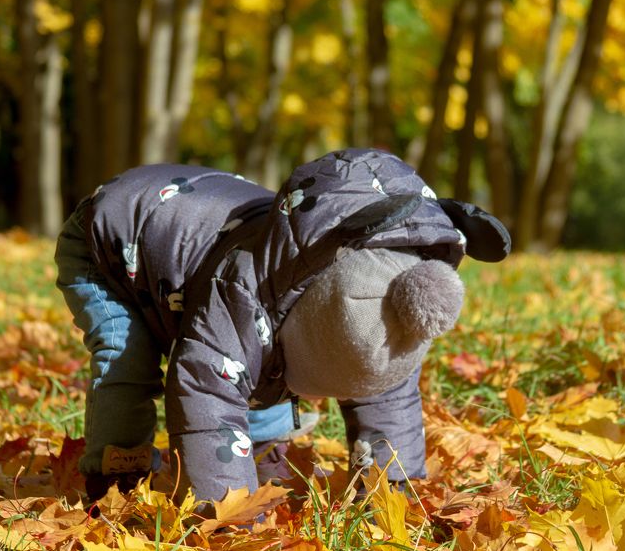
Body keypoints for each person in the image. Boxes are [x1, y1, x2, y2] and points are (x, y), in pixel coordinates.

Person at [54, 148, 511, 504]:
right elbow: (208, 386)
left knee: (260, 357)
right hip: (112, 239)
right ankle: (119, 474)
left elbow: (388, 401)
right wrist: (227, 509)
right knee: (128, 357)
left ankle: (259, 449)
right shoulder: (244, 287)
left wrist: (393, 492)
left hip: (200, 260)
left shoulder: (392, 308)